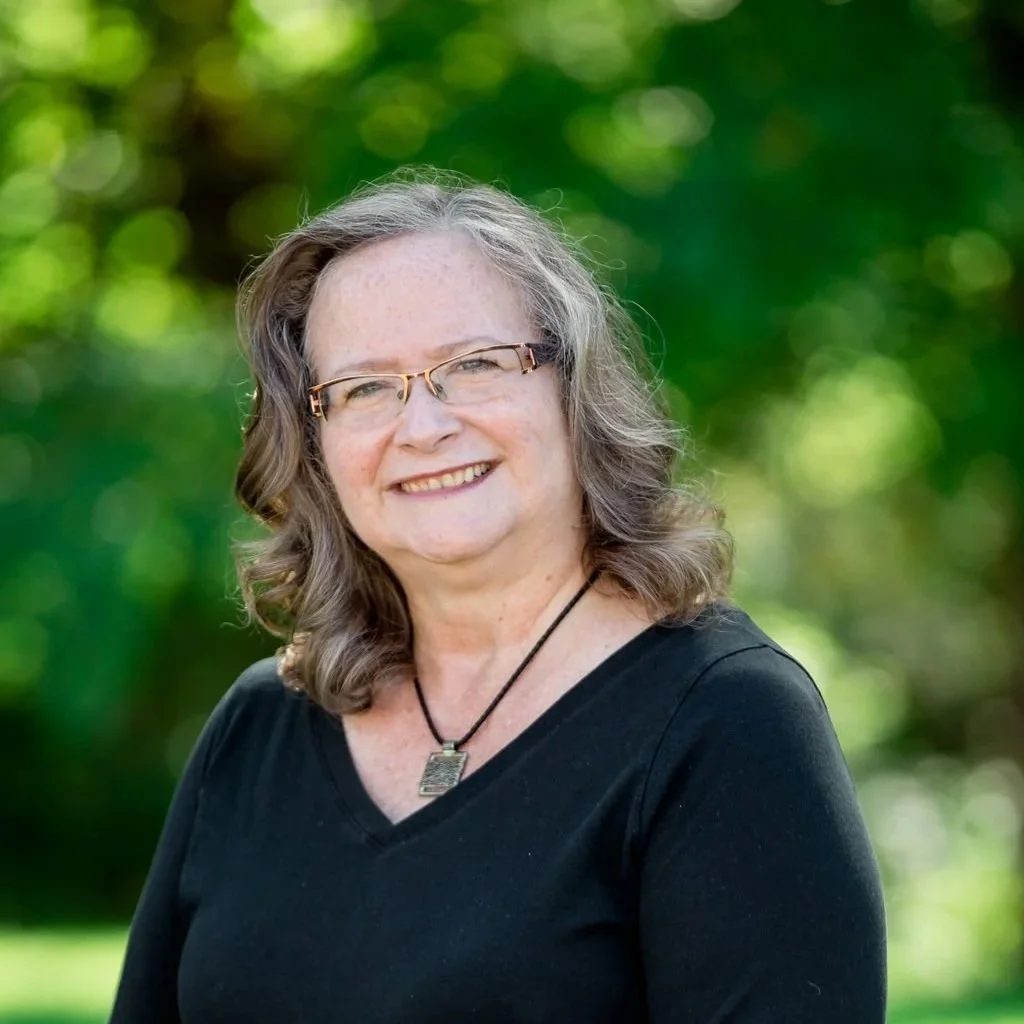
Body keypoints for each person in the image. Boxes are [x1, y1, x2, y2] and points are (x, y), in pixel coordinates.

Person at [110, 170, 886, 1023]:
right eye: (366, 387)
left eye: (474, 365)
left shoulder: (726, 722)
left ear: (573, 385)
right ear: (316, 439)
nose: (424, 425)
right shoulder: (258, 730)